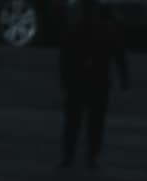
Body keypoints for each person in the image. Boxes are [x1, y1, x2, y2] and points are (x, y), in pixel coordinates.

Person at [59, 0, 129, 170]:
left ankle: (71, 156)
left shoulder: (77, 28)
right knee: (94, 122)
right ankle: (90, 156)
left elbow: (65, 56)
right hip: (97, 80)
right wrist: (124, 78)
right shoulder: (107, 30)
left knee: (75, 121)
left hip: (80, 80)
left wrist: (65, 79)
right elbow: (119, 54)